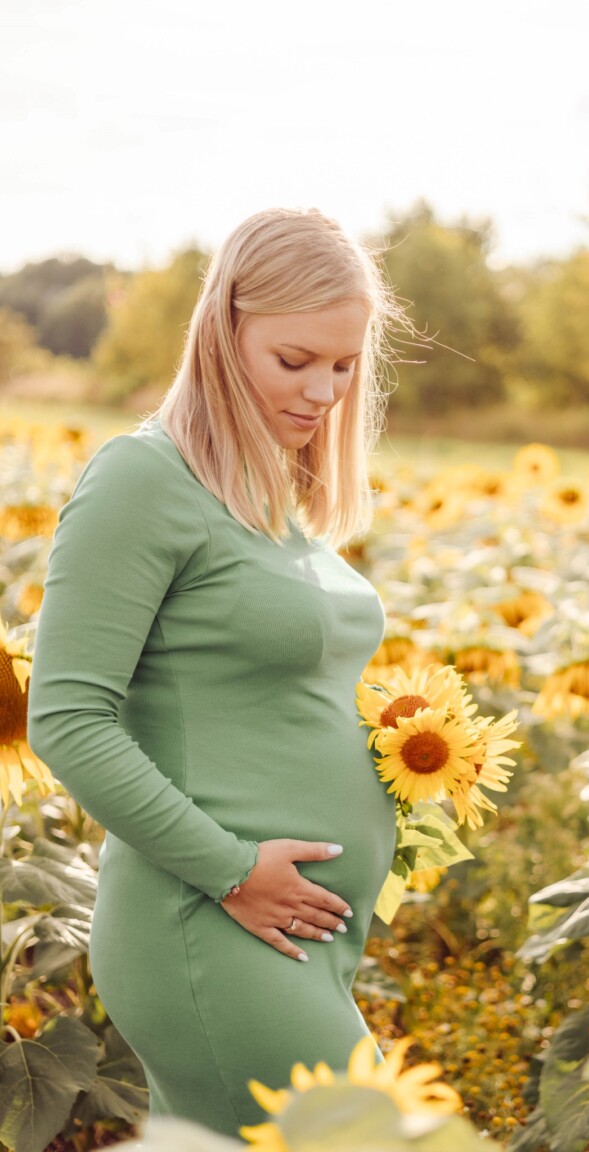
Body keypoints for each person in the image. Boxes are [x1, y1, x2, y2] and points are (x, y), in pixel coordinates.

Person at [27, 207, 403, 1138]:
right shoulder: (142, 479)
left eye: (344, 365)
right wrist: (233, 870)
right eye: (294, 360)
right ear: (223, 329)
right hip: (207, 920)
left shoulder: (275, 499)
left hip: (296, 929)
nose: (323, 390)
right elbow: (67, 717)